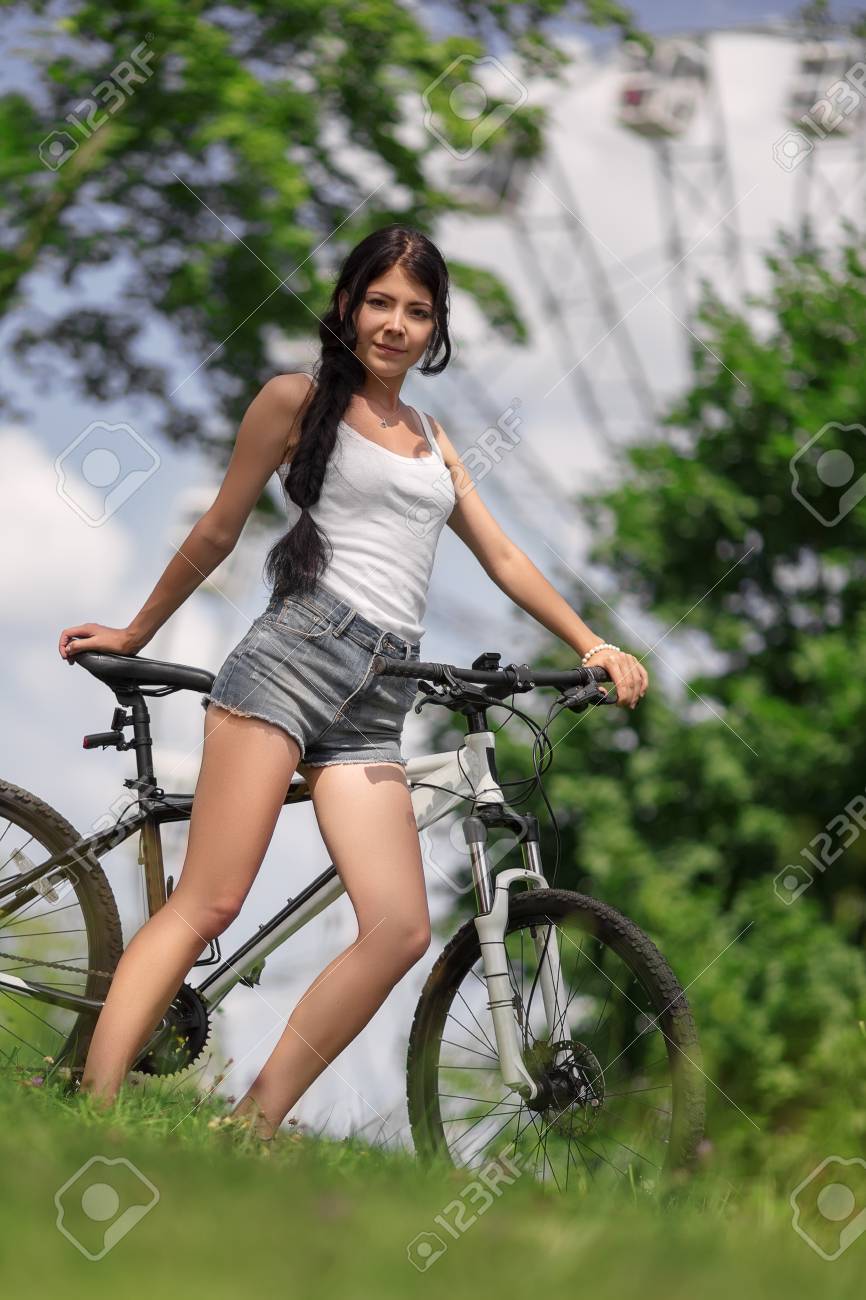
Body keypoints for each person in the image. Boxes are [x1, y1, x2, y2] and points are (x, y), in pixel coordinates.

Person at [57, 224, 648, 1141]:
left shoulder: (432, 437)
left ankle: (252, 1124)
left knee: (400, 929)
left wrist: (592, 641)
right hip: (291, 659)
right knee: (211, 900)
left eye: (418, 311)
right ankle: (90, 1109)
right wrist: (137, 630)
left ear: (436, 327)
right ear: (347, 305)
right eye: (380, 303)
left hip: (381, 695)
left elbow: (500, 554)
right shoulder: (294, 400)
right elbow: (218, 529)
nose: (396, 325)